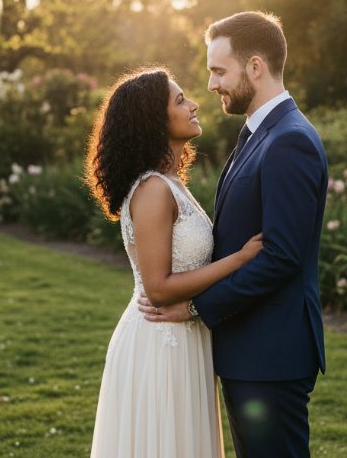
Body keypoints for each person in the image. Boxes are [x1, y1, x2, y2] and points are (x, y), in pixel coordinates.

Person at [140, 11, 329, 458]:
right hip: (251, 348)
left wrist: (196, 308)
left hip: (271, 352)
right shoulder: (259, 134)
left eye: (218, 71)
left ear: (256, 67)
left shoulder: (289, 140)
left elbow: (281, 256)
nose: (211, 85)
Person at [86, 66, 263, 458]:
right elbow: (159, 288)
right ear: (153, 120)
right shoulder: (152, 190)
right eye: (180, 101)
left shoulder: (171, 184)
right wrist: (239, 259)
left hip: (186, 336)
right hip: (159, 340)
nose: (195, 104)